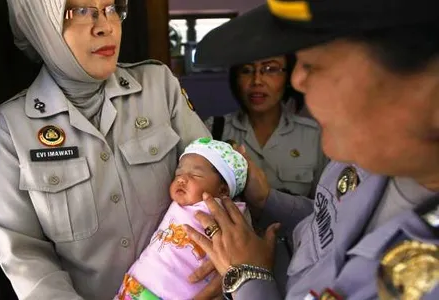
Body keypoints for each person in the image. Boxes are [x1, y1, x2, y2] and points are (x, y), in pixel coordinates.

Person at [184, 0, 439, 299]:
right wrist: (267, 201)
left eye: (315, 64)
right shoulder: (362, 159)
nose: (297, 80)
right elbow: (323, 229)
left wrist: (248, 278)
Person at [0, 0, 211, 299]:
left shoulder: (158, 87)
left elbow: (213, 183)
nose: (105, 26)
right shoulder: (10, 129)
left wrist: (225, 267)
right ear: (41, 24)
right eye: (79, 11)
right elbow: (24, 255)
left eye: (111, 8)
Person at [205, 55, 328, 295]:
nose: (257, 81)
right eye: (246, 70)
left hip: (300, 263)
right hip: (229, 267)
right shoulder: (215, 129)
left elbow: (327, 209)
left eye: (270, 69)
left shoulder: (314, 135)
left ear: (289, 77)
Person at [116, 138, 249, 300]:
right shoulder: (180, 204)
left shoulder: (225, 214)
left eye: (196, 175)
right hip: (135, 286)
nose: (181, 179)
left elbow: (239, 246)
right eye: (178, 173)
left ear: (223, 190)